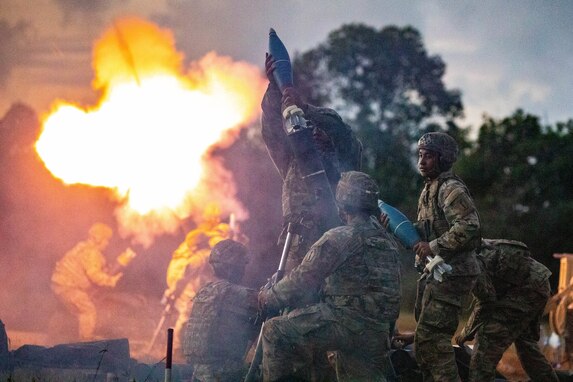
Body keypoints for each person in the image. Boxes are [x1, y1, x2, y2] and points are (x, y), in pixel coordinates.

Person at [258, 171, 401, 382]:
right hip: (377, 332)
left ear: (342, 204)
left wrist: (268, 297)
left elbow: (303, 279)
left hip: (344, 323)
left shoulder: (340, 237)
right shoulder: (388, 241)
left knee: (275, 331)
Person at [261, 53, 362, 273]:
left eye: (319, 130)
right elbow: (270, 127)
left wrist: (305, 109)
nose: (313, 133)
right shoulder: (291, 163)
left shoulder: (343, 162)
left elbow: (341, 132)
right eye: (308, 127)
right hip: (296, 244)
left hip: (334, 239)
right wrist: (275, 87)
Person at [412, 132, 481, 381]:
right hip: (438, 274)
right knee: (424, 344)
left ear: (443, 159)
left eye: (428, 156)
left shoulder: (450, 188)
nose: (421, 161)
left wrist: (434, 246)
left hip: (454, 274)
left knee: (433, 342)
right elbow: (426, 232)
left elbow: (469, 227)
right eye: (420, 155)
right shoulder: (429, 190)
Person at [455, 239, 559, 382]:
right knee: (526, 345)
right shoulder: (467, 249)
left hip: (525, 289)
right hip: (538, 282)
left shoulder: (467, 263)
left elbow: (487, 301)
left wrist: (466, 332)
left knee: (487, 342)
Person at [183, 239, 259, 382]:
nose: (244, 270)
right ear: (233, 268)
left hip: (199, 372)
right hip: (224, 373)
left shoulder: (204, 291)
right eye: (242, 265)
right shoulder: (237, 293)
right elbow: (268, 302)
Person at [162, 203, 234, 353]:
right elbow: (183, 274)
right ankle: (178, 347)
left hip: (198, 286)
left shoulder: (212, 241)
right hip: (188, 284)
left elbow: (221, 245)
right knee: (188, 315)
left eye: (212, 216)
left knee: (191, 316)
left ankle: (180, 347)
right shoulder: (199, 241)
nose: (208, 218)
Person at [51, 223, 126, 340]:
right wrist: (110, 280)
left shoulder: (83, 248)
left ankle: (56, 337)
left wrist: (106, 271)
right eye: (106, 240)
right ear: (98, 239)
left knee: (70, 312)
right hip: (69, 287)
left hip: (60, 285)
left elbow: (90, 269)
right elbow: (94, 275)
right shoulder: (92, 253)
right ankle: (85, 342)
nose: (107, 244)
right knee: (88, 311)